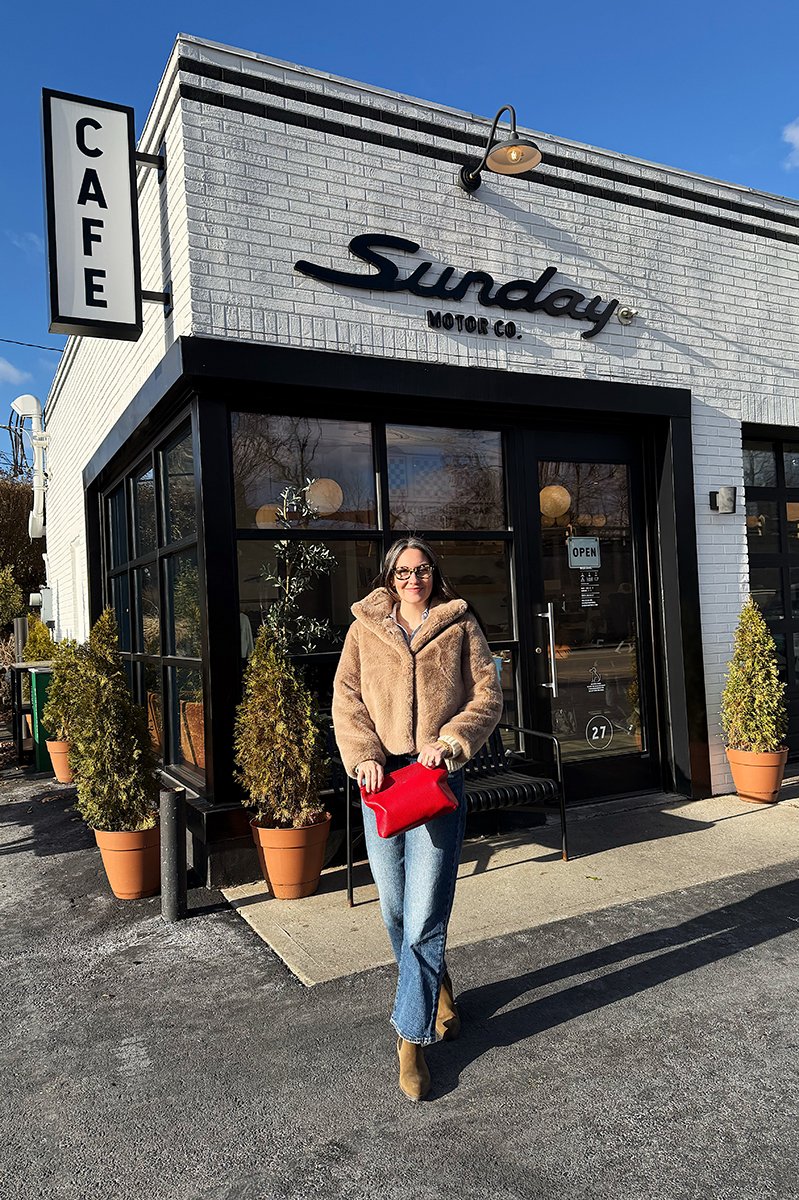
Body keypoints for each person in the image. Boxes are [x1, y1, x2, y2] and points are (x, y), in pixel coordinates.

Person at [332, 537, 503, 1101]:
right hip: (381, 785)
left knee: (426, 912)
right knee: (395, 907)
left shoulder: (460, 626)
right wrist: (365, 759)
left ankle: (411, 1038)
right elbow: (347, 698)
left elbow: (487, 696)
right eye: (404, 570)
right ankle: (437, 985)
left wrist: (452, 742)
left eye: (423, 569)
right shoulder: (364, 629)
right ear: (390, 575)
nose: (414, 578)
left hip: (436, 778)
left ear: (435, 574)